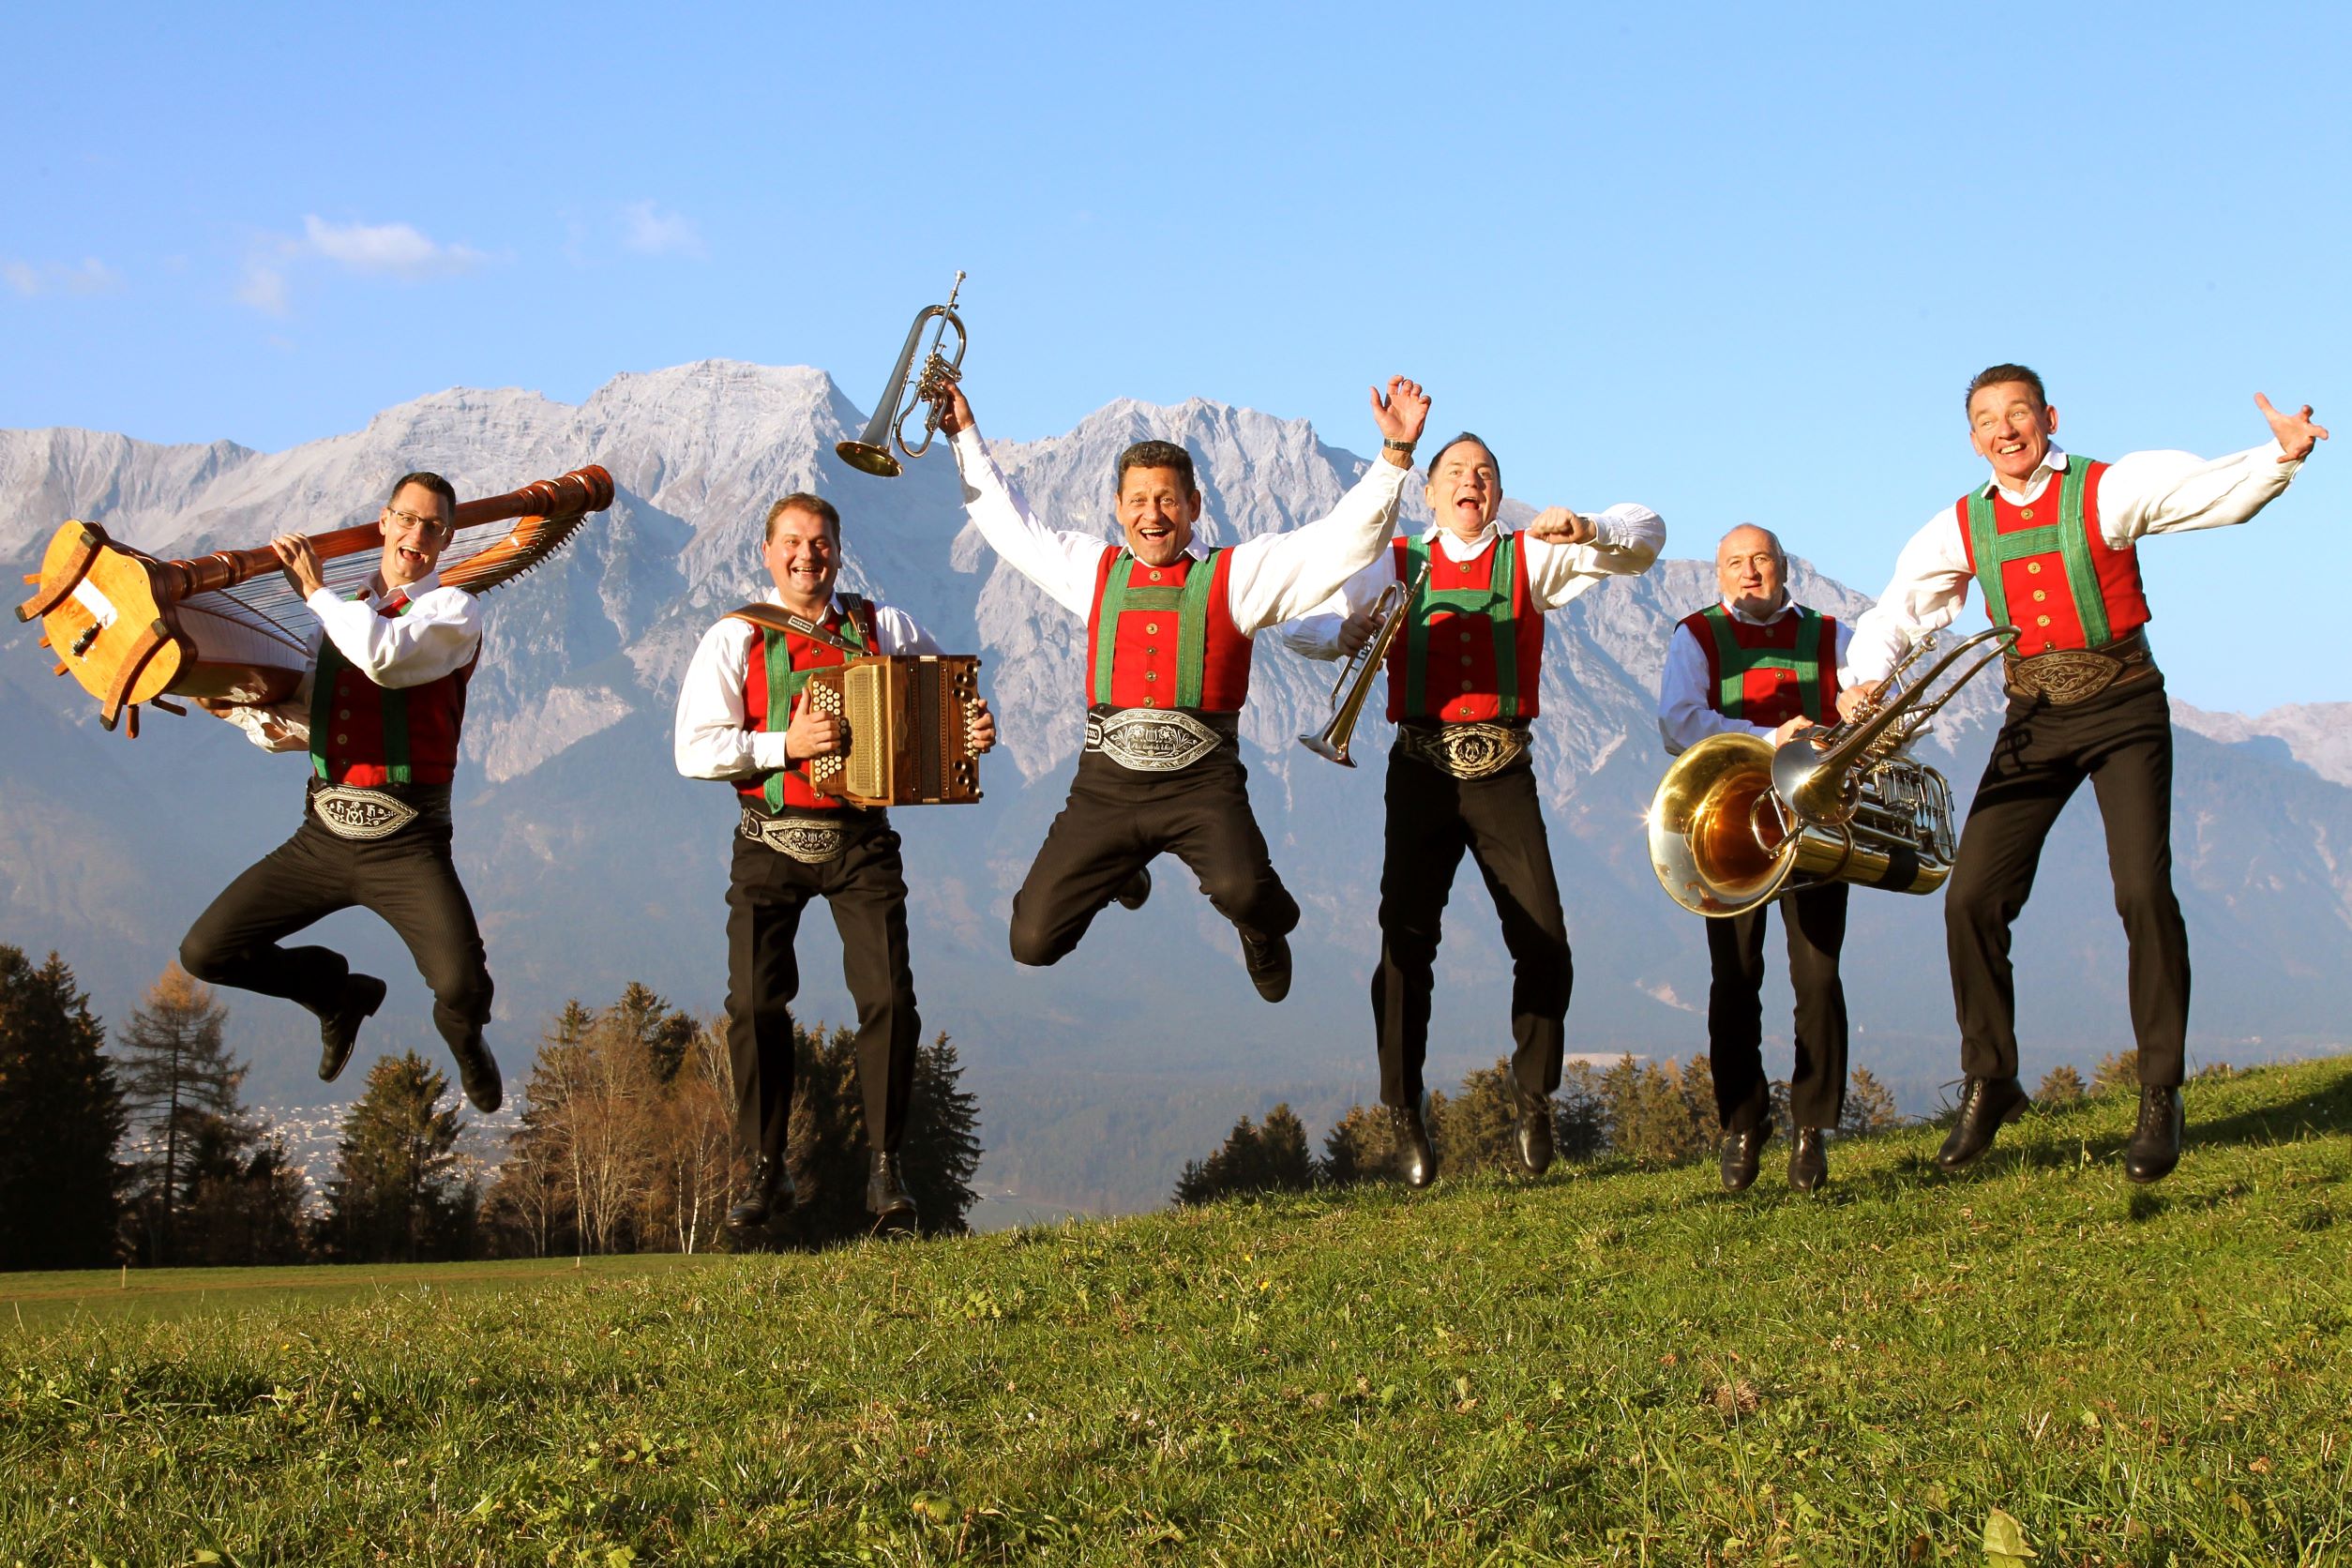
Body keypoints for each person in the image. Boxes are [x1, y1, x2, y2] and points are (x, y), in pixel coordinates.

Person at [1845, 366, 2326, 1183]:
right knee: (1971, 897)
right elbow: (1902, 609)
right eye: (1987, 420)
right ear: (1972, 439)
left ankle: (2160, 1092)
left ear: (2048, 418)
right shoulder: (1960, 525)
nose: (2005, 430)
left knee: (2141, 891)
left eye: (2018, 414)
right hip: (2031, 719)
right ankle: (1992, 1079)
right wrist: (1867, 678)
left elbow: (2207, 493)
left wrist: (2277, 459)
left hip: (2124, 706)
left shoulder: (2108, 488)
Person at [937, 376, 1428, 1003]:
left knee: (1248, 894)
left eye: (1167, 500)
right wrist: (963, 435)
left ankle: (1263, 930)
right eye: (1138, 500)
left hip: (1202, 786)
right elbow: (1013, 526)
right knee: (1030, 943)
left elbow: (1337, 543)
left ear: (1194, 505)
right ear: (1117, 507)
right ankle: (1124, 868)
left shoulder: (1238, 575)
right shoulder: (1093, 570)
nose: (1152, 514)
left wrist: (1393, 459)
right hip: (1107, 788)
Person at [1280, 432, 1663, 1184]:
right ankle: (1403, 1111)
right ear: (1428, 492)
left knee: (1545, 940)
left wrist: (1588, 527)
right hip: (1418, 769)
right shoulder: (1389, 559)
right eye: (1455, 472)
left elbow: (1646, 534)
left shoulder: (1532, 554)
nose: (1471, 482)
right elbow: (1297, 622)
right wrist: (1342, 633)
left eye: (1484, 473)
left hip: (1504, 771)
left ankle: (1534, 1094)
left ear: (1497, 491)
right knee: (1404, 943)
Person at [674, 491, 997, 1236]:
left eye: (819, 543)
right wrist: (783, 745)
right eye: (792, 542)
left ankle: (885, 1169)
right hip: (768, 835)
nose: (806, 556)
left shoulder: (884, 625)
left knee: (889, 999)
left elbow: (951, 691)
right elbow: (694, 749)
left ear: (839, 552)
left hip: (860, 839)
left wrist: (973, 722)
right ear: (767, 553)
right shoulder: (736, 636)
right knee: (754, 1005)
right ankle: (765, 1168)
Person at [179, 472, 504, 1114]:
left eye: (433, 526)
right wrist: (232, 706)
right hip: (322, 835)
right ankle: (332, 992)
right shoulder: (337, 619)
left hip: (407, 845)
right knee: (205, 952)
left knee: (463, 985)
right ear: (384, 522)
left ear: (447, 539)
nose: (417, 535)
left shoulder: (452, 612)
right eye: (407, 519)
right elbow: (305, 723)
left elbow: (383, 657)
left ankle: (464, 1038)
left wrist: (314, 589)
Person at [1658, 523, 1853, 1192]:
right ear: (1719, 575)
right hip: (1733, 826)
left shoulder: (1832, 635)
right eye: (1735, 563)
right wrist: (1770, 738)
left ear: (1783, 568)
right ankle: (1742, 1123)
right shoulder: (1698, 635)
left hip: (1820, 823)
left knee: (1818, 978)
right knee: (1735, 979)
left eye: (1761, 560)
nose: (1749, 572)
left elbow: (1866, 706)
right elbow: (1678, 723)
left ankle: (1812, 1127)